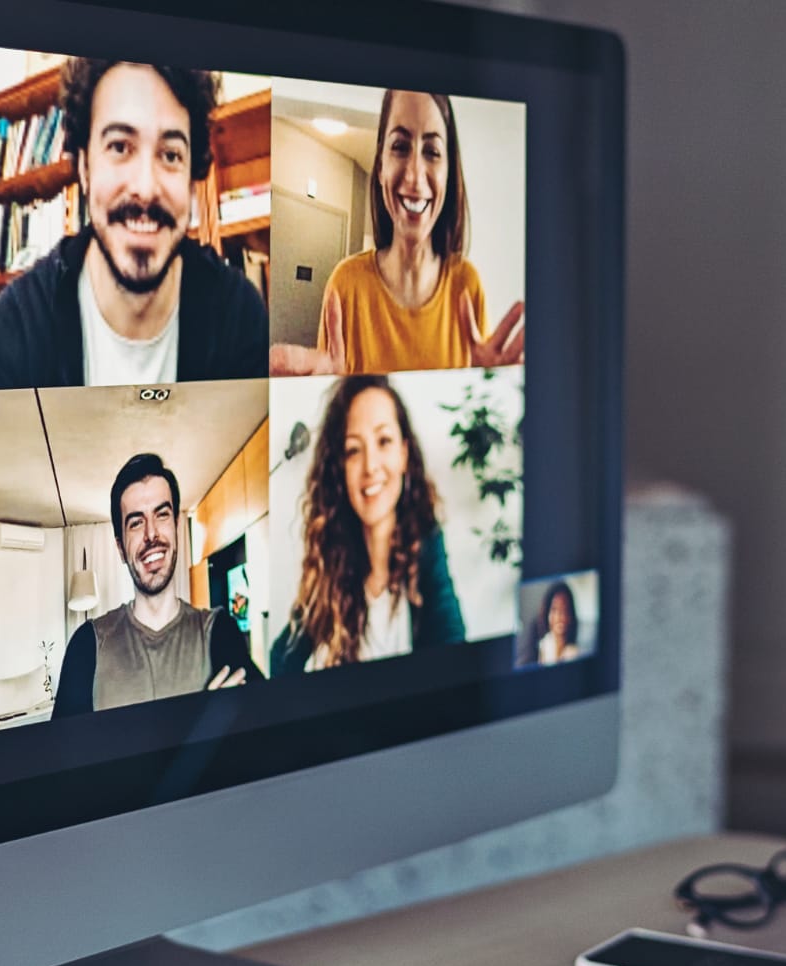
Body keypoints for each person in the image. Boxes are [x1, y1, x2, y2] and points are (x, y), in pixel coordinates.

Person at [0, 59, 266, 389]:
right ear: (84, 167)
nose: (145, 187)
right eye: (120, 147)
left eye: (170, 155)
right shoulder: (20, 323)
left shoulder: (238, 315)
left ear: (191, 179)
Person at [268, 90, 525, 377]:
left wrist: (490, 386)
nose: (414, 176)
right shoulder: (345, 285)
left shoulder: (467, 284)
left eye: (432, 152)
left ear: (449, 172)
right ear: (380, 167)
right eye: (401, 147)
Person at [272, 376, 466, 672]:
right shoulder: (330, 563)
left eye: (383, 441)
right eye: (353, 450)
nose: (370, 466)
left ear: (403, 454)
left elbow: (454, 657)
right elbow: (281, 658)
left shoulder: (427, 546)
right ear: (340, 468)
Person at [53, 453, 258, 717]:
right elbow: (62, 756)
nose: (151, 534)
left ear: (175, 528)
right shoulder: (86, 646)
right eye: (136, 522)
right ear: (120, 549)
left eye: (162, 515)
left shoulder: (219, 632)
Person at [527, 580, 582, 666]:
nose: (560, 617)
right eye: (555, 610)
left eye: (565, 610)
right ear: (547, 613)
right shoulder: (540, 647)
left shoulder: (574, 653)